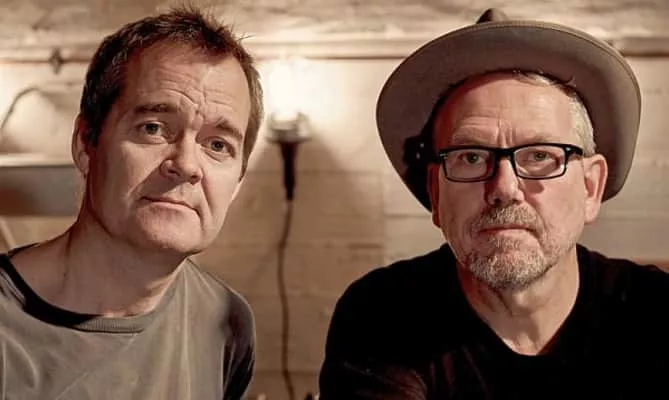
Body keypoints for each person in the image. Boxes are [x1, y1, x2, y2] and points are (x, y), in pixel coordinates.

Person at [319, 8, 669, 400]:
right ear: (435, 193)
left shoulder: (654, 311)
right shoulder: (383, 315)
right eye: (471, 157)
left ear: (590, 187)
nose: (504, 187)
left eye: (539, 155)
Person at [0, 6, 263, 400]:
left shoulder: (226, 322)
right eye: (153, 128)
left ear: (238, 181)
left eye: (218, 145)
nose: (187, 165)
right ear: (86, 144)